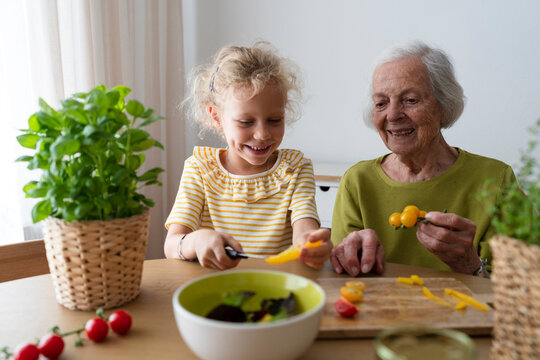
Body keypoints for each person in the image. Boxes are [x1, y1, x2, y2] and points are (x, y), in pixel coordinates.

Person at [330, 41, 516, 278]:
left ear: (444, 106)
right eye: (381, 103)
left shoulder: (496, 180)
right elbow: (341, 279)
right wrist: (348, 259)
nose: (393, 115)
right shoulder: (357, 181)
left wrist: (470, 265)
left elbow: (521, 294)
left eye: (410, 100)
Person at [164, 41, 332, 270]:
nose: (262, 134)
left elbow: (305, 231)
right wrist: (197, 240)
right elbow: (172, 244)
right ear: (216, 117)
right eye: (246, 122)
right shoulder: (200, 169)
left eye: (274, 120)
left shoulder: (295, 168)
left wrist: (310, 245)